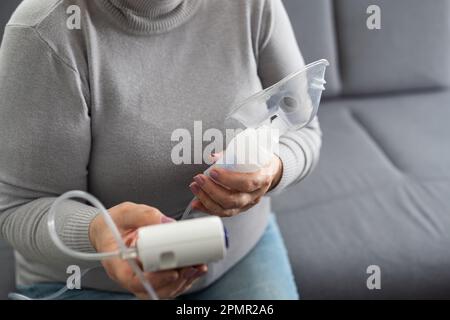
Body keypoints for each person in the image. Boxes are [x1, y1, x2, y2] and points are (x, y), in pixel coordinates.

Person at [0, 0, 321, 300]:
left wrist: (273, 170)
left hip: (238, 255)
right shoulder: (44, 32)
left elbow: (303, 126)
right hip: (92, 281)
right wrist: (99, 233)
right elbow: (17, 206)